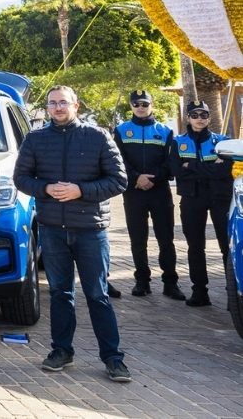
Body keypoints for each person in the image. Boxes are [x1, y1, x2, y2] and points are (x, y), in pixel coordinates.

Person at [14, 85, 130, 382]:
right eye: (52, 103)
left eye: (63, 102)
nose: (57, 108)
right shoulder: (35, 139)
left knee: (97, 294)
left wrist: (81, 190)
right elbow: (22, 178)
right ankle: (61, 350)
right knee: (59, 293)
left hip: (91, 230)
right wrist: (45, 189)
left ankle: (113, 358)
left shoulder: (98, 137)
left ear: (76, 105)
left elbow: (118, 181)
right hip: (53, 230)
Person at [114, 90, 184, 300]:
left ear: (151, 105)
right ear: (131, 106)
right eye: (136, 104)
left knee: (166, 239)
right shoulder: (121, 130)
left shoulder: (164, 131)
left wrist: (152, 178)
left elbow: (170, 163)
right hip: (133, 192)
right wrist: (137, 177)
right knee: (138, 239)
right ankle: (142, 281)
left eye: (144, 103)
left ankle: (170, 283)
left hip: (159, 191)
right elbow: (118, 161)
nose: (140, 107)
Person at [172, 101, 234, 307]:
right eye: (195, 115)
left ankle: (232, 294)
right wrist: (208, 168)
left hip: (220, 199)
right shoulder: (177, 142)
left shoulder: (222, 142)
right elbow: (177, 171)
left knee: (227, 246)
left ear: (209, 118)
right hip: (192, 199)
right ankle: (199, 291)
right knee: (195, 247)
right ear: (188, 118)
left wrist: (192, 166)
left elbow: (225, 170)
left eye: (204, 115)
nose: (200, 118)